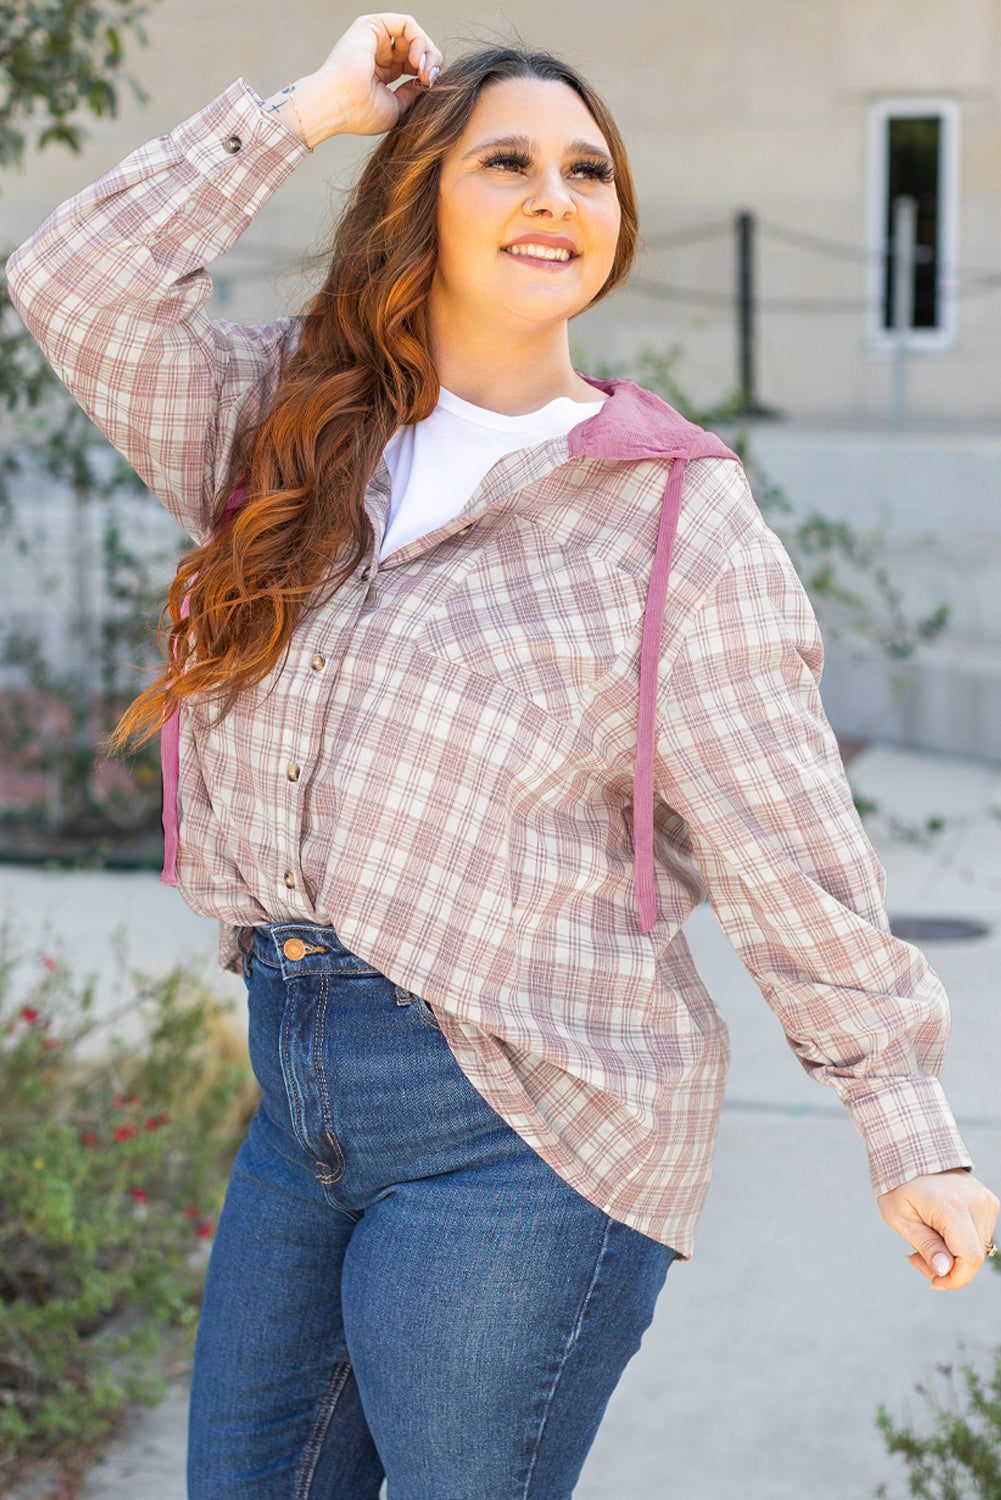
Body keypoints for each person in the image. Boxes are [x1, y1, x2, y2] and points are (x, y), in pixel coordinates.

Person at [7, 13, 998, 1498]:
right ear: (419, 200)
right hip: (298, 1092)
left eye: (589, 170)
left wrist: (903, 1124)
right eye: (510, 162)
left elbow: (781, 835)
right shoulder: (287, 427)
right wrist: (303, 113)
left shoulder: (669, 516)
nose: (558, 195)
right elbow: (69, 285)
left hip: (523, 1121)